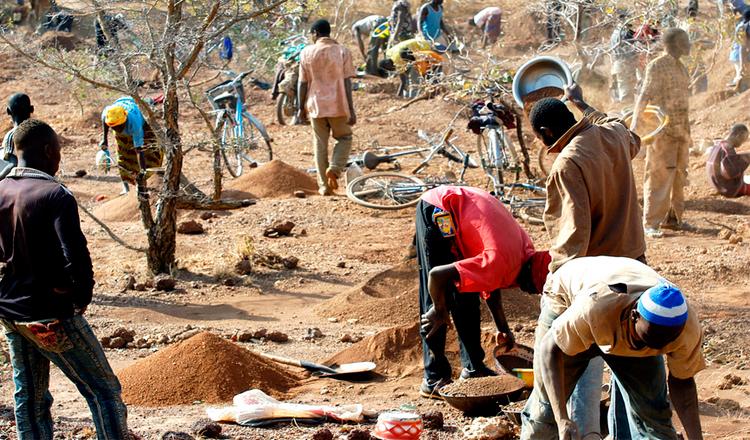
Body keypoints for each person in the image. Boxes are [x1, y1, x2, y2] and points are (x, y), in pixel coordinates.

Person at [527, 86, 647, 438]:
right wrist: (580, 101)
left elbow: (572, 239)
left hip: (594, 282)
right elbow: (624, 129)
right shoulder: (613, 135)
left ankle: (582, 431)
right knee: (632, 374)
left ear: (547, 134)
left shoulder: (567, 164)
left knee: (564, 362)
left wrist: (554, 285)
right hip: (637, 272)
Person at [0, 119, 131, 439]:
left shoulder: (1, 189)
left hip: (11, 311)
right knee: (104, 391)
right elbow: (76, 255)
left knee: (29, 397)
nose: (59, 158)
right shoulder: (55, 194)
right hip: (50, 312)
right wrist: (79, 298)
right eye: (58, 150)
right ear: (47, 151)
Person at [521, 256, 704, 440]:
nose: (656, 346)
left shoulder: (684, 327)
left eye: (665, 344)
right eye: (648, 339)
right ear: (634, 316)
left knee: (654, 416)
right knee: (544, 413)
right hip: (568, 300)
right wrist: (561, 418)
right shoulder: (593, 309)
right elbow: (549, 349)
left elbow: (683, 382)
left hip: (621, 313)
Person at [417, 185, 551, 398]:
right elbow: (436, 275)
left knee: (468, 287)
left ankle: (473, 368)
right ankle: (433, 376)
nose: (530, 293)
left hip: (468, 210)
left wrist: (503, 328)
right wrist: (440, 309)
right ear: (531, 284)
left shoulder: (524, 251)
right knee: (438, 297)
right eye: (535, 291)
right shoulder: (501, 261)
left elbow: (490, 281)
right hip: (440, 207)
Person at [631, 28, 692, 238]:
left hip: (681, 132)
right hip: (663, 133)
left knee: (679, 176)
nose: (689, 45)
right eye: (685, 41)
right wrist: (634, 126)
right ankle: (651, 223)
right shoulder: (657, 66)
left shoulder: (682, 68)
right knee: (659, 177)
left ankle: (674, 219)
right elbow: (644, 96)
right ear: (674, 44)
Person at [297, 19, 356, 196]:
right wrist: (351, 110)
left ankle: (324, 186)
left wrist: (300, 108)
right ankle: (335, 168)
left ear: (315, 33)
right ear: (328, 33)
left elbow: (302, 83)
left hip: (316, 106)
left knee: (319, 144)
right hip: (338, 105)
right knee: (344, 138)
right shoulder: (342, 51)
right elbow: (347, 83)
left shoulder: (306, 52)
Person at [100, 96, 163, 195]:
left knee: (151, 153)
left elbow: (139, 150)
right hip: (121, 103)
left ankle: (150, 181)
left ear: (124, 121)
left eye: (119, 127)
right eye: (114, 128)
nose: (117, 130)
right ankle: (126, 188)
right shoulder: (109, 114)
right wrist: (104, 140)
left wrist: (142, 171)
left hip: (139, 114)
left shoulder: (135, 124)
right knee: (123, 157)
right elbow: (105, 122)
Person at [706, 123, 750, 197]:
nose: (741, 144)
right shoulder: (728, 149)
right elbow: (730, 173)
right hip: (727, 188)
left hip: (716, 184)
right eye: (742, 140)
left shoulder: (718, 144)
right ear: (738, 136)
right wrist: (746, 159)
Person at [1, 93, 34, 178]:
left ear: (8, 111)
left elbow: (13, 164)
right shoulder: (40, 131)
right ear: (31, 109)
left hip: (22, 179)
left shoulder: (12, 135)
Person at [610, 19, 638, 104]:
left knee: (623, 87)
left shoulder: (615, 33)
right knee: (626, 91)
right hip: (625, 64)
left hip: (618, 64)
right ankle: (627, 111)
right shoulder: (625, 33)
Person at [729, 10, 750, 89]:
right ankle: (738, 89)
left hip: (736, 54)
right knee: (741, 74)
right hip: (738, 54)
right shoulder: (744, 28)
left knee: (740, 74)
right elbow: (743, 48)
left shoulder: (741, 25)